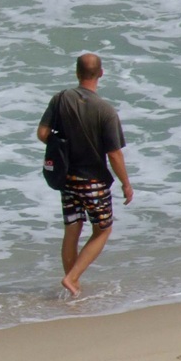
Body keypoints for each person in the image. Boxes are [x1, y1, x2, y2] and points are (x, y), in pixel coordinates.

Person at [37, 53, 134, 298]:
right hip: (94, 181)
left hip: (67, 179)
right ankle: (72, 278)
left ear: (77, 73)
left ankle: (74, 288)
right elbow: (114, 155)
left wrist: (61, 144)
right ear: (100, 73)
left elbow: (42, 133)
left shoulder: (60, 99)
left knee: (72, 229)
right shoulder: (106, 110)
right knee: (102, 230)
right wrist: (126, 184)